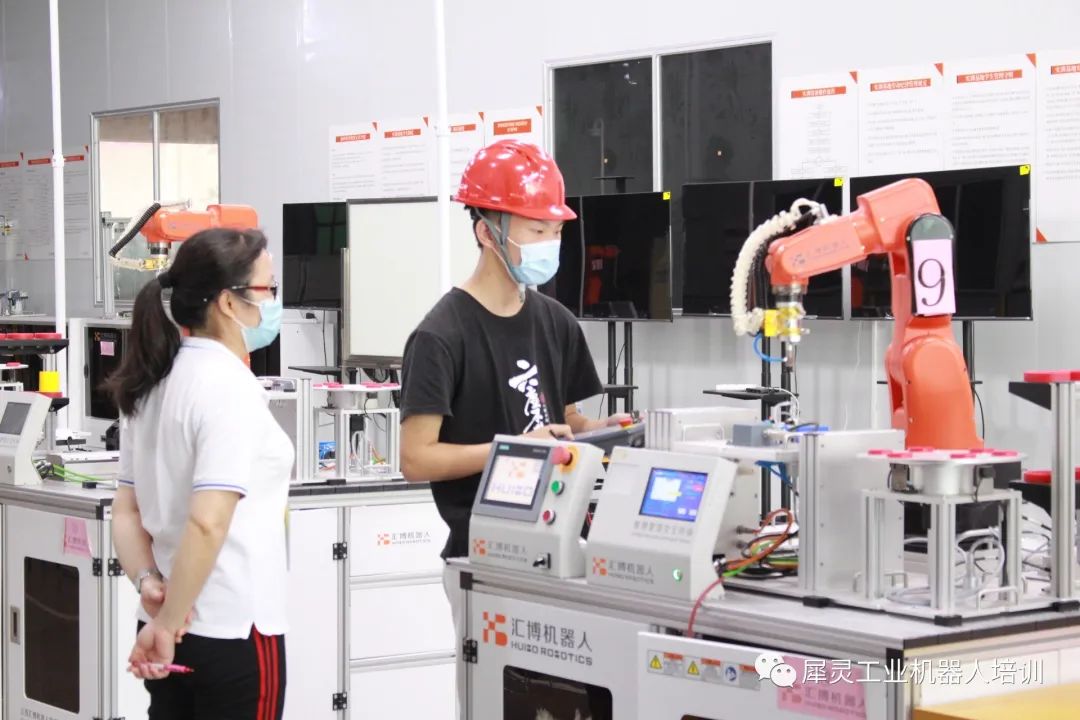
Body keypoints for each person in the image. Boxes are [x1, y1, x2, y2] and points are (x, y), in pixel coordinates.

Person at [399, 138, 629, 596]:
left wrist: (600, 430)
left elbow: (563, 420)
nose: (550, 245)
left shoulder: (557, 322)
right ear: (487, 233)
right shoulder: (440, 336)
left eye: (556, 232)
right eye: (537, 231)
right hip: (483, 558)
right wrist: (515, 451)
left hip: (561, 544)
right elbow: (416, 458)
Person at [107, 227, 291, 720]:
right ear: (229, 302)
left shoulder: (149, 381)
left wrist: (148, 583)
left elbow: (126, 512)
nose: (273, 303)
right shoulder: (229, 387)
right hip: (233, 627)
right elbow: (208, 522)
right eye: (268, 289)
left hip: (167, 621)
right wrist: (167, 625)